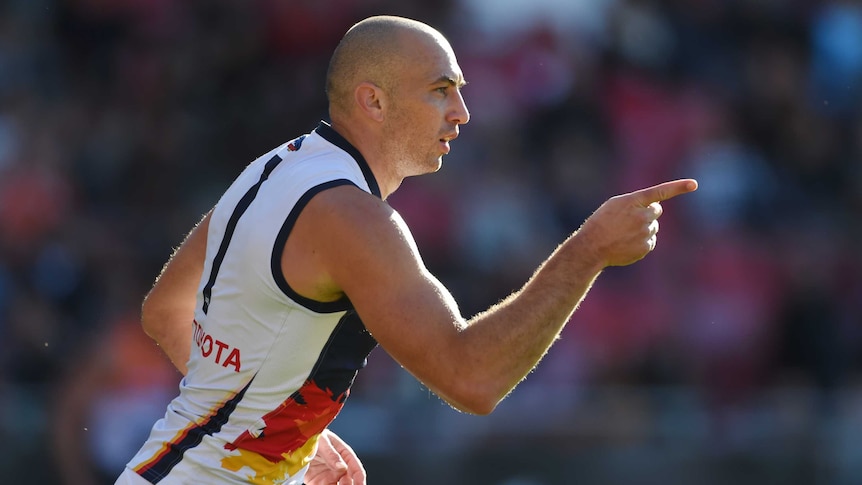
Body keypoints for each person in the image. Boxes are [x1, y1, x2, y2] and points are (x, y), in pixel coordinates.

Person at [116, 15, 698, 485]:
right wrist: (589, 249)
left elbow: (163, 310)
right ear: (373, 101)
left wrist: (286, 433)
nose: (461, 113)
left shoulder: (274, 167)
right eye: (439, 91)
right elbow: (472, 378)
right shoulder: (353, 216)